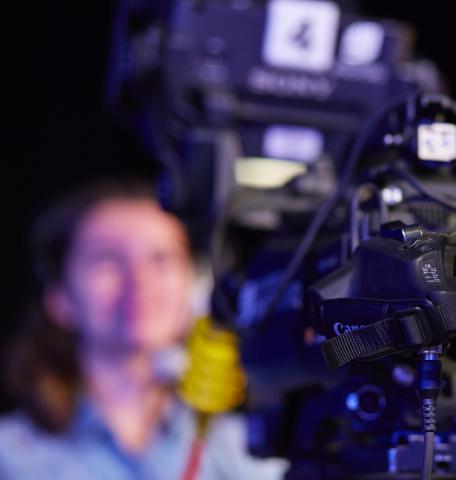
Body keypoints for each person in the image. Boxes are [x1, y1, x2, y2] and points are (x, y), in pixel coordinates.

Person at [0, 179, 287, 479]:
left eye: (160, 258)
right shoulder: (11, 458)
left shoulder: (247, 450)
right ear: (60, 297)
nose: (139, 279)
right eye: (107, 259)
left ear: (195, 286)